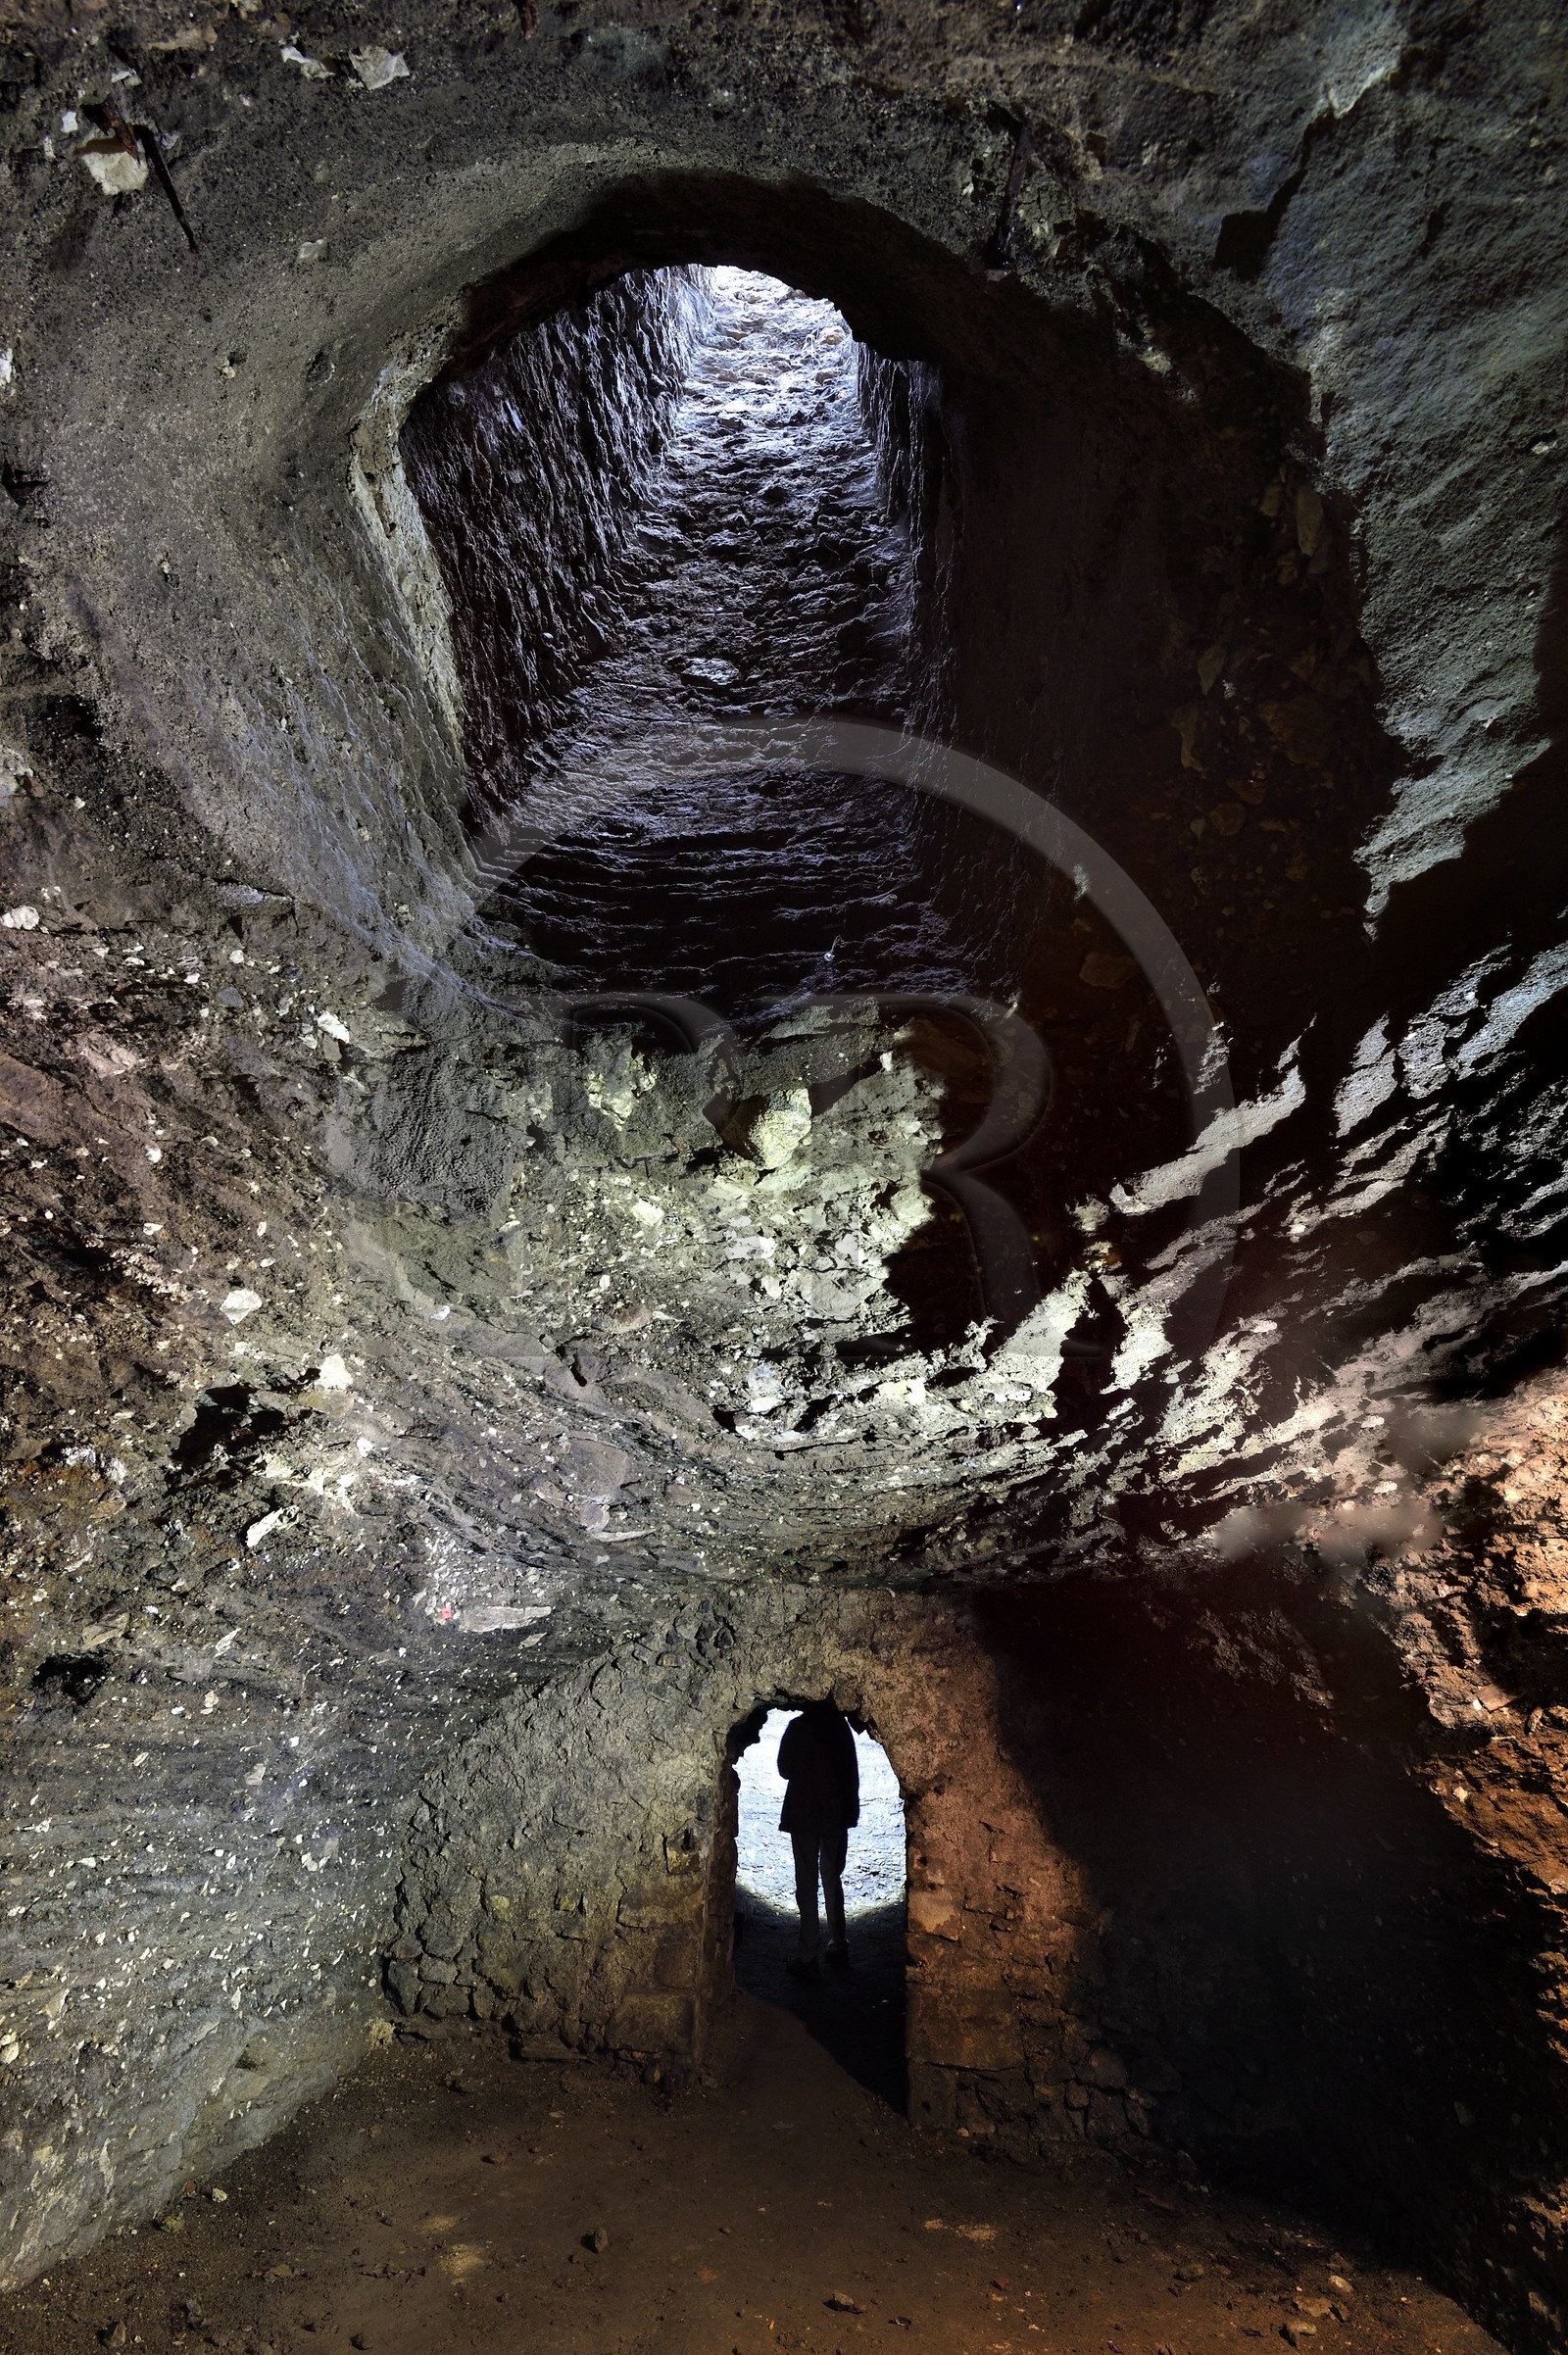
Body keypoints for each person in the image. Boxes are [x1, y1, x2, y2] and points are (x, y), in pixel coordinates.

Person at [778, 1697, 859, 1982]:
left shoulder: (798, 1728)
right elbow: (851, 1774)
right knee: (832, 1877)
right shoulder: (840, 1729)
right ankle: (838, 1944)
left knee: (807, 1883)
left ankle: (807, 1956)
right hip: (834, 1813)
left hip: (803, 1813)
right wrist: (850, 1811)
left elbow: (784, 1769)